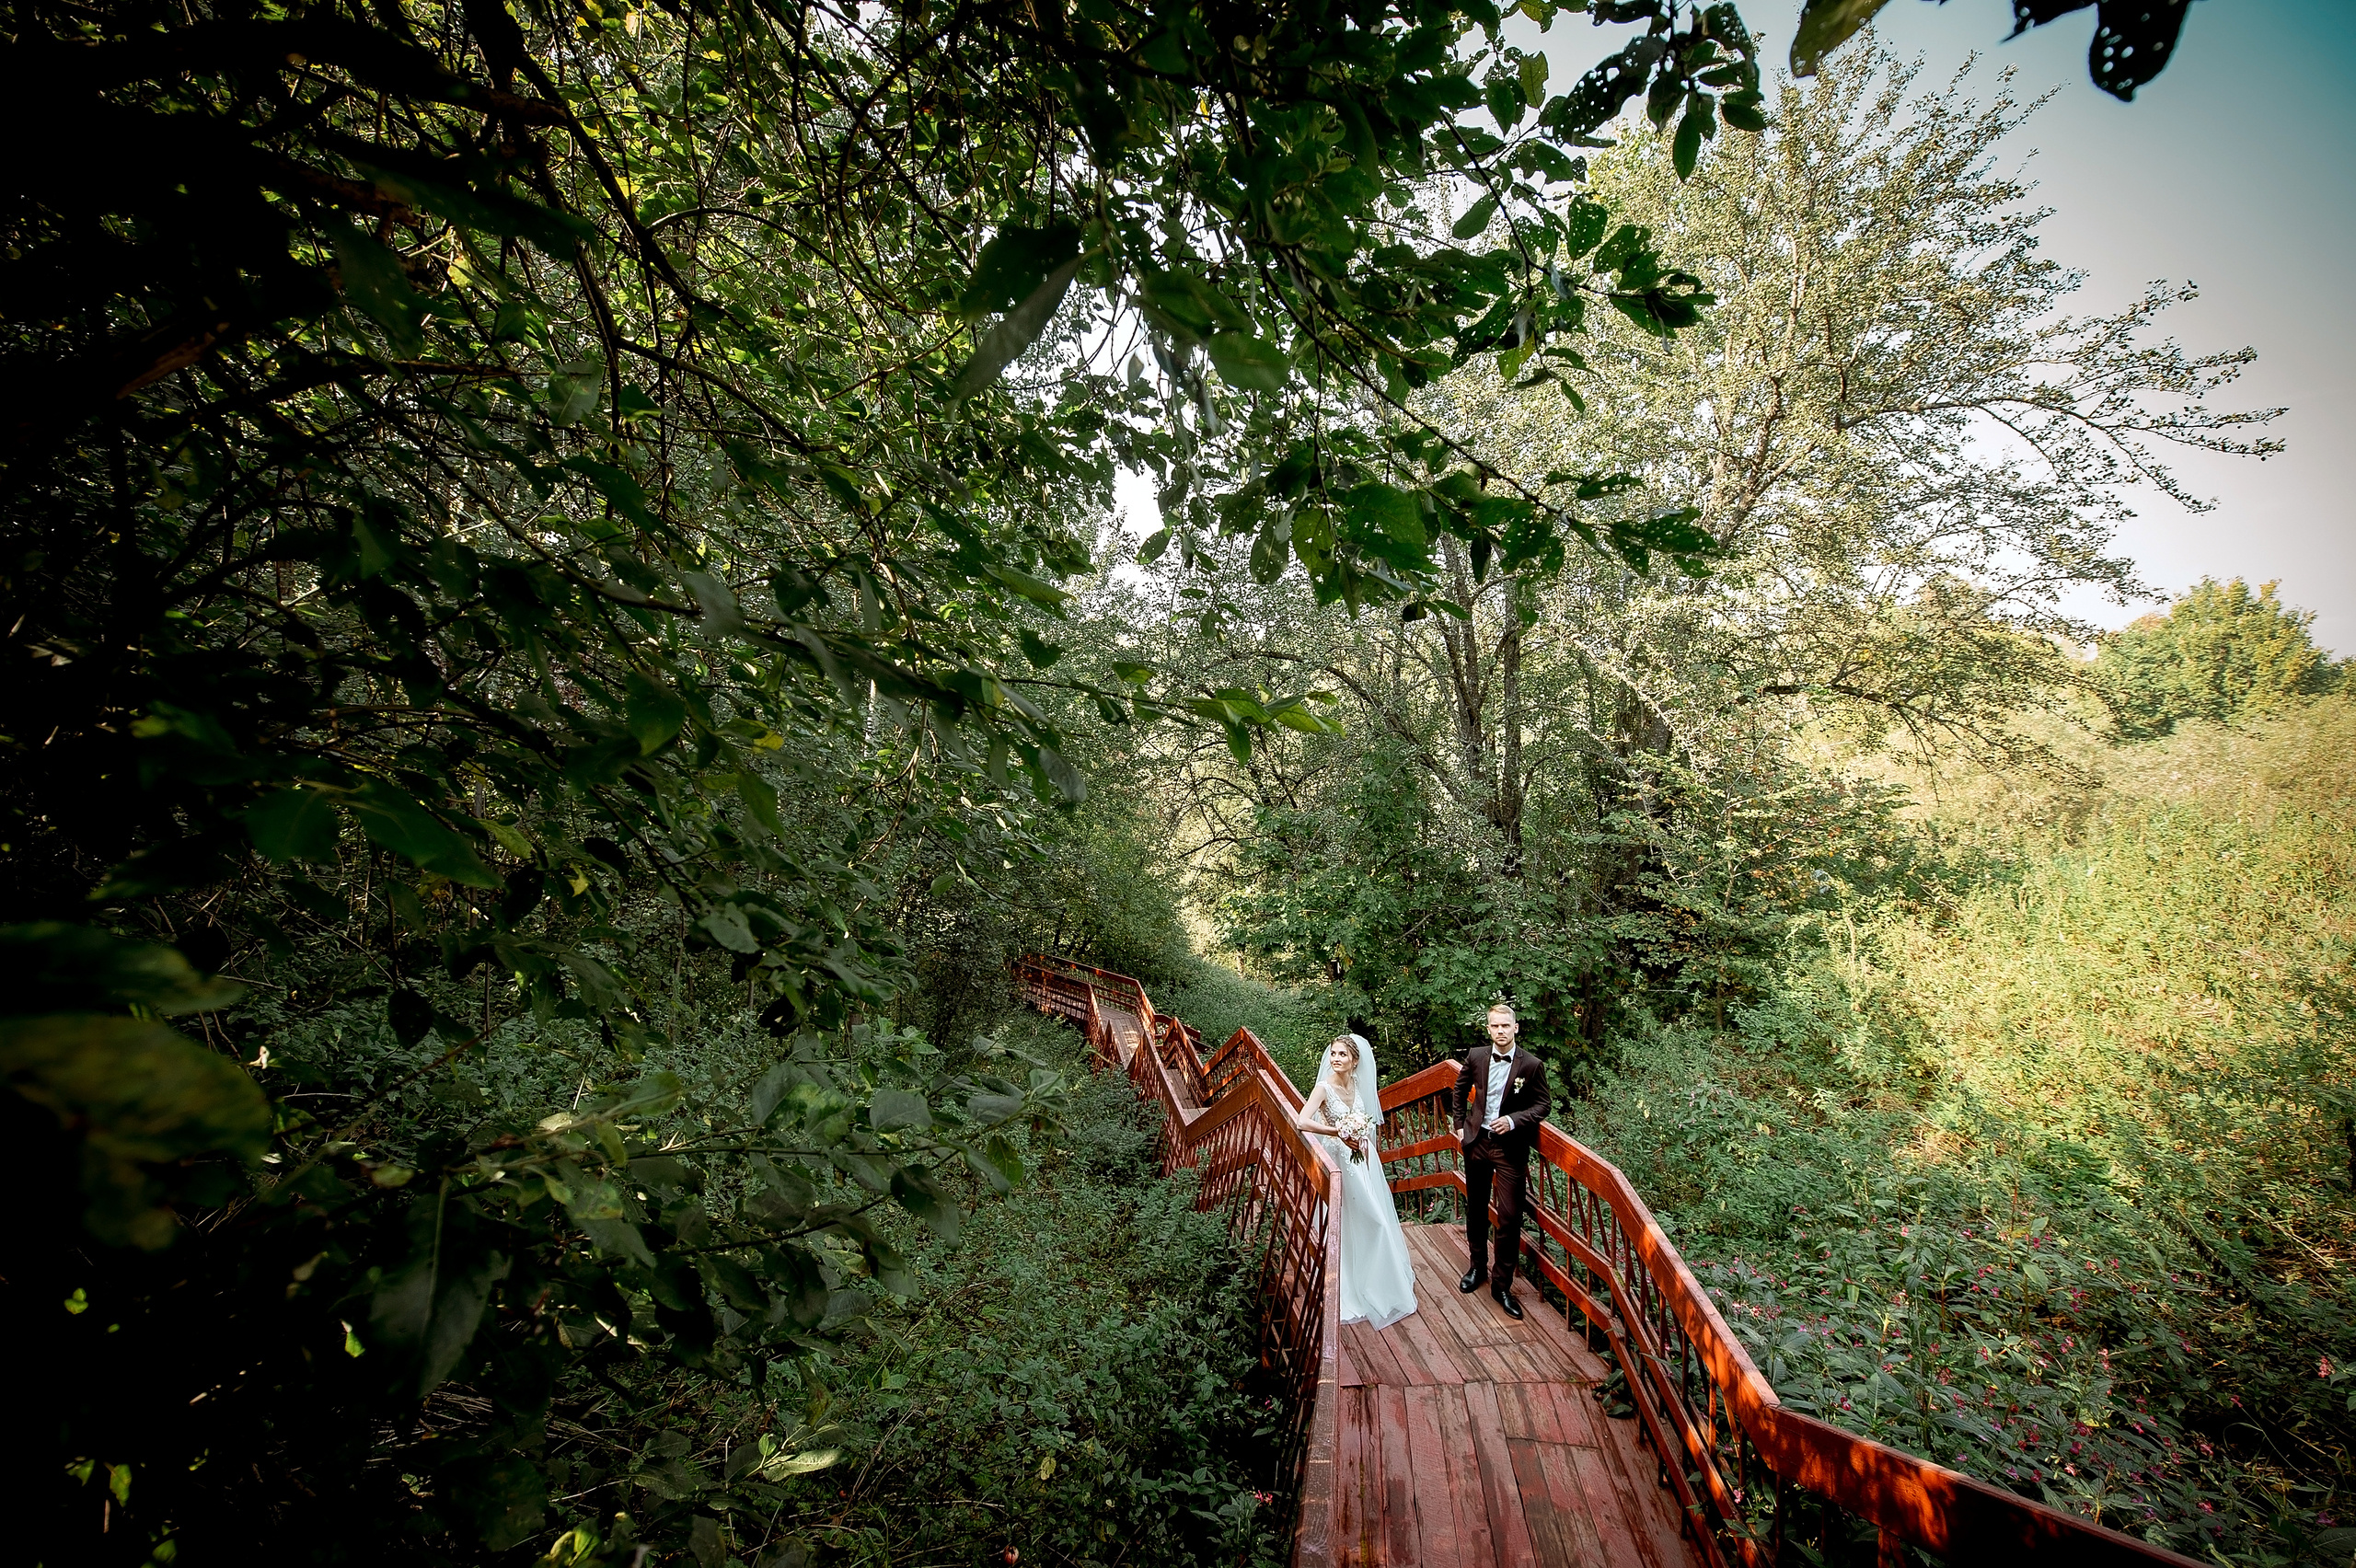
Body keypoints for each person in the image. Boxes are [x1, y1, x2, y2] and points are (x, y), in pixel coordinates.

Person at [1294, 1033, 1418, 1331]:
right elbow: (1302, 1121)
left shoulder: (1360, 1085)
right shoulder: (1323, 1088)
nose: (1336, 1059)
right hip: (1339, 1162)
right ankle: (1353, 1284)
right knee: (1371, 1220)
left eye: (1342, 1055)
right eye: (1333, 1054)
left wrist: (1360, 1137)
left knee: (1373, 1219)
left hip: (1363, 1161)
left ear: (1355, 1061)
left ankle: (1380, 1282)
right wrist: (1336, 1132)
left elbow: (1367, 1119)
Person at [1453, 1002, 1552, 1320]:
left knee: (1509, 1216)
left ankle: (1502, 1285)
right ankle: (1477, 1267)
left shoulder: (1531, 1065)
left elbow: (1543, 1105)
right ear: (1488, 1029)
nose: (1500, 1031)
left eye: (1505, 1026)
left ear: (1515, 1028)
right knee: (1477, 1208)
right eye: (1494, 1026)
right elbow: (1459, 1089)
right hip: (1477, 1142)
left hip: (1509, 1149)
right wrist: (1458, 1125)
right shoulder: (1477, 1055)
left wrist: (1513, 1121)